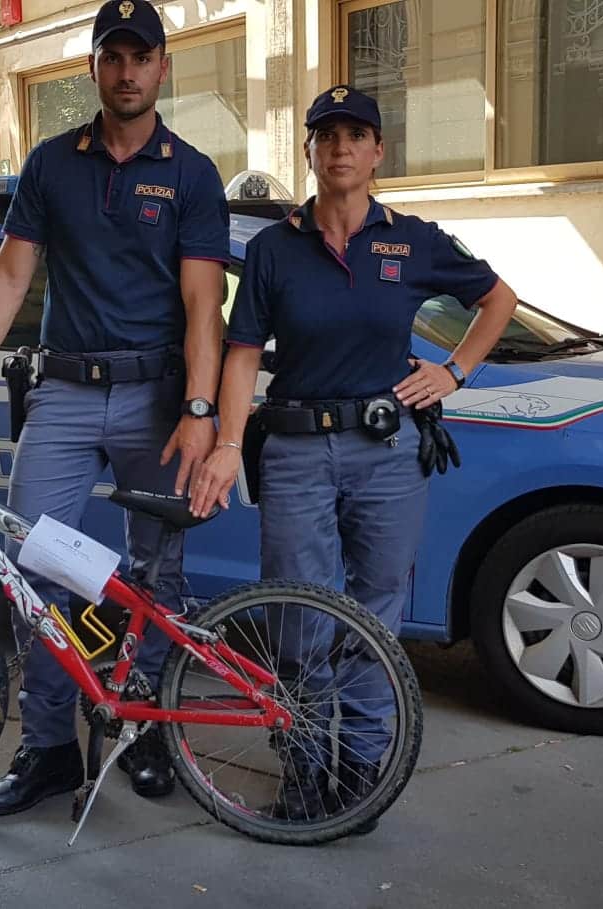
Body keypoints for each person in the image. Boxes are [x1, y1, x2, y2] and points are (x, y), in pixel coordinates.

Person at [190, 85, 518, 832]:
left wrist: (454, 371)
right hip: (299, 451)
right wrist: (226, 441)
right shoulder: (275, 249)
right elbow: (241, 356)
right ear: (307, 151)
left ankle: (361, 769)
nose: (339, 146)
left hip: (386, 452)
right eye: (325, 134)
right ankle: (304, 762)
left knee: (375, 613)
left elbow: (497, 301)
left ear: (377, 152)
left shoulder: (413, 239)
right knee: (298, 614)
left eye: (354, 134)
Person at [0, 0, 230, 816]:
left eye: (141, 57)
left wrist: (200, 407)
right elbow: (8, 276)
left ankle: (147, 732)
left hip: (156, 396)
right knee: (35, 567)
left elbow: (204, 303)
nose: (127, 71)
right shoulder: (52, 163)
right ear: (94, 67)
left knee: (157, 576)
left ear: (163, 67)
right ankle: (50, 748)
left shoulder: (191, 172)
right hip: (62, 392)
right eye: (113, 57)